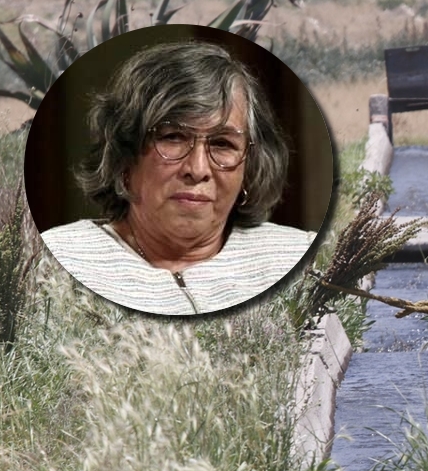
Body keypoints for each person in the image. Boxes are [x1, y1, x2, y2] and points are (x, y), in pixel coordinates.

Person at [40, 40, 316, 315]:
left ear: (250, 164)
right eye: (173, 137)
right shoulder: (55, 258)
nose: (197, 170)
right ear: (124, 156)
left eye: (222, 144)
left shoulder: (302, 256)